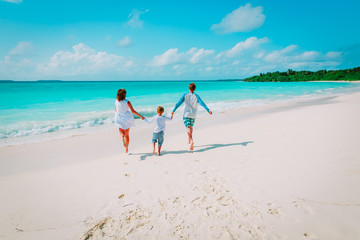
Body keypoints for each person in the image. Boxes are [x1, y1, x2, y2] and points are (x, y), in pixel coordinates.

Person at [171, 83, 212, 151]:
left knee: (188, 128)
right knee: (190, 127)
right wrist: (208, 110)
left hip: (186, 114)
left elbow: (178, 103)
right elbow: (202, 103)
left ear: (189, 88)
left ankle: (192, 140)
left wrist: (173, 110)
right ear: (194, 89)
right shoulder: (197, 96)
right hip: (193, 115)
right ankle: (189, 140)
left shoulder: (185, 95)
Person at [115, 88, 144, 153]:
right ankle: (127, 148)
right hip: (126, 119)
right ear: (125, 95)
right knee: (127, 134)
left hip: (119, 118)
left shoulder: (116, 101)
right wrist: (141, 116)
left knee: (121, 133)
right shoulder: (127, 102)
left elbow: (116, 111)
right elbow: (133, 111)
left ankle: (122, 137)